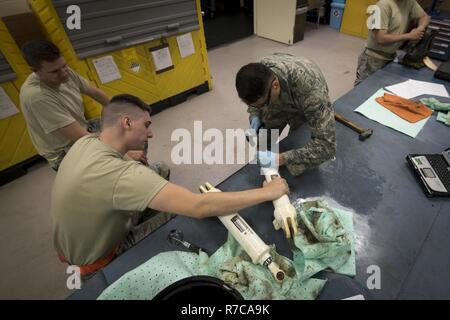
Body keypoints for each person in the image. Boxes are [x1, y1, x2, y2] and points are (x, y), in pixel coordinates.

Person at [51, 94, 289, 278]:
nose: (151, 133)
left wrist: (126, 153)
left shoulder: (86, 141)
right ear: (126, 122)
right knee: (183, 214)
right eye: (146, 125)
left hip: (77, 240)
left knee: (160, 168)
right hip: (102, 257)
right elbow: (199, 206)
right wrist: (268, 192)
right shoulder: (123, 176)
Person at [19, 40, 148, 170]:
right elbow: (80, 136)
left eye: (64, 66)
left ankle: (144, 172)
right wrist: (125, 150)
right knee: (120, 158)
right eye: (55, 71)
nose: (64, 73)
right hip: (65, 149)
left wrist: (123, 114)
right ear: (35, 71)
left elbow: (96, 93)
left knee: (135, 129)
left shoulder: (64, 72)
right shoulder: (36, 96)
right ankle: (141, 180)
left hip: (82, 127)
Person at [235, 53, 336, 176]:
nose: (261, 108)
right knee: (264, 138)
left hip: (302, 102)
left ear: (275, 86)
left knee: (299, 142)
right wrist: (255, 115)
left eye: (262, 104)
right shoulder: (259, 73)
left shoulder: (312, 93)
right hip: (274, 95)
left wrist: (282, 159)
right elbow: (256, 102)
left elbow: (327, 147)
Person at [354, 0, 430, 86]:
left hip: (391, 56)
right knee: (363, 90)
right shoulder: (383, 5)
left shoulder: (409, 2)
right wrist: (409, 36)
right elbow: (381, 38)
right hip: (373, 59)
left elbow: (424, 17)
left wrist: (419, 29)